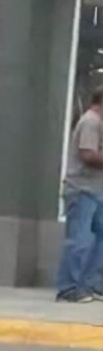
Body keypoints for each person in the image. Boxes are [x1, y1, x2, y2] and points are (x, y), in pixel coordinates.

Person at [56, 88, 103, 303]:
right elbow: (88, 154)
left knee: (98, 240)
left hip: (96, 190)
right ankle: (69, 287)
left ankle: (92, 285)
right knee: (80, 240)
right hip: (82, 190)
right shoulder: (91, 122)